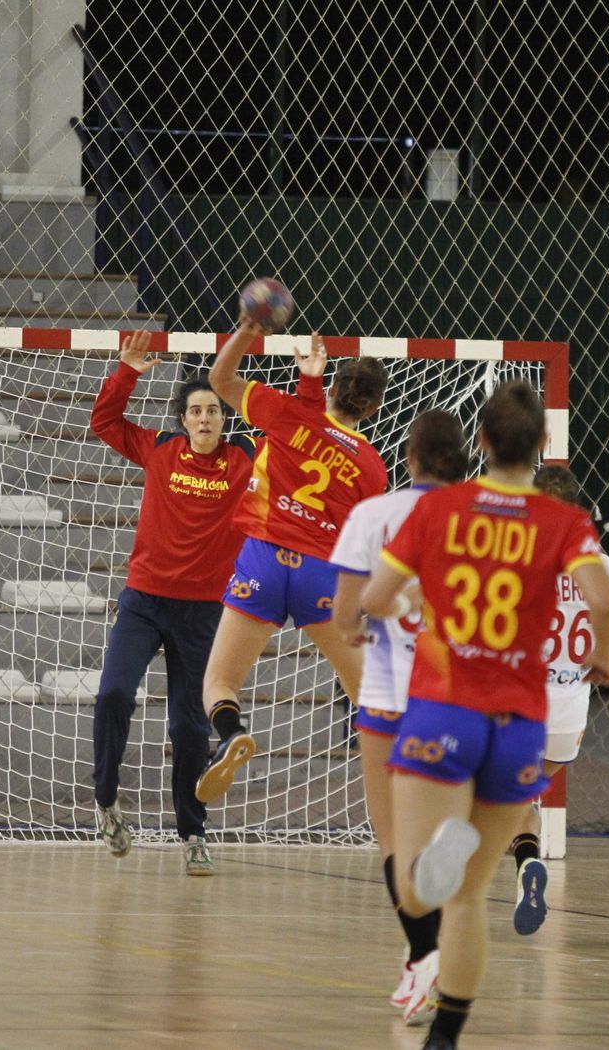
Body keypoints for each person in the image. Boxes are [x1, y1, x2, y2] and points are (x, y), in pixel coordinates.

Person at [361, 380, 609, 1050]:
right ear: (542, 445)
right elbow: (602, 599)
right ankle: (446, 1038)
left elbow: (377, 595)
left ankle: (436, 863)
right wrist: (606, 657)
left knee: (422, 892)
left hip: (447, 709)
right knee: (471, 898)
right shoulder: (565, 522)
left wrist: (406, 610)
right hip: (520, 725)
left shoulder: (444, 508)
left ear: (478, 440)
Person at [88, 329, 325, 875]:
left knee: (189, 729)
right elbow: (104, 423)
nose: (204, 419)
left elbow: (298, 436)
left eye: (214, 411)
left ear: (225, 418)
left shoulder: (245, 459)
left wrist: (309, 384)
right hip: (145, 601)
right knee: (113, 695)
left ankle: (193, 834)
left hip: (204, 612)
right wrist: (126, 372)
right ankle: (105, 800)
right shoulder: (160, 449)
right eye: (195, 411)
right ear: (182, 419)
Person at [195, 315, 391, 806]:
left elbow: (219, 381)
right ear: (372, 406)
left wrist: (247, 329)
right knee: (364, 689)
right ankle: (398, 786)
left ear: (335, 387)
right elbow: (363, 542)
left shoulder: (289, 411)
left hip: (263, 557)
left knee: (220, 681)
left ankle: (231, 732)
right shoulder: (372, 466)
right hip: (321, 572)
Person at [331, 409, 470, 1026]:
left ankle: (424, 955)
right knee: (453, 830)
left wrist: (359, 628)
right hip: (461, 696)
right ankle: (435, 954)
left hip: (390, 697)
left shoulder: (375, 515)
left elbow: (344, 614)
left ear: (409, 458)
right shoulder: (483, 517)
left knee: (393, 842)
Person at [503, 463, 609, 932]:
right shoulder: (599, 566)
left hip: (520, 704)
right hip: (568, 715)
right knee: (521, 799)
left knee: (489, 797)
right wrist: (607, 657)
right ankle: (526, 861)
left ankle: (503, 865)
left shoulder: (519, 556)